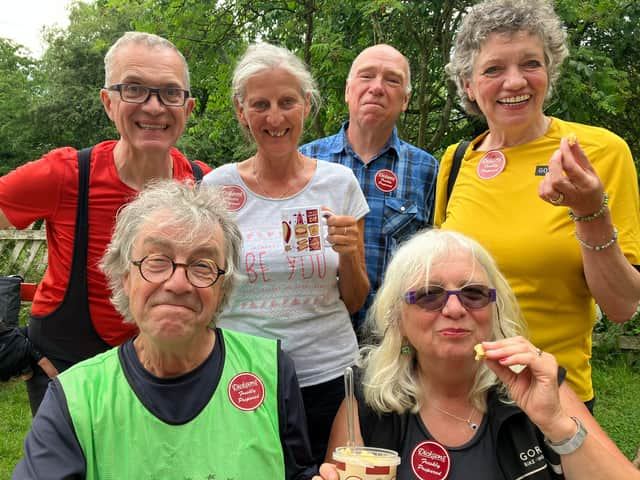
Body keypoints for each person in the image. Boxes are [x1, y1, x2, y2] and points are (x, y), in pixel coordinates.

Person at [12, 180, 318, 480]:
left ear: (223, 289)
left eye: (202, 265)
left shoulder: (271, 370)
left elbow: (298, 472)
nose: (178, 284)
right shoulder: (76, 397)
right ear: (125, 277)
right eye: (157, 261)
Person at [434, 0, 640, 409]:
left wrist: (590, 212)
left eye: (530, 63)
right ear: (470, 85)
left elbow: (621, 306)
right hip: (456, 397)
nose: (515, 82)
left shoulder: (596, 153)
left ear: (549, 71)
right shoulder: (456, 162)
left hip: (552, 399)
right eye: (494, 69)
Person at [314, 229, 639, 480]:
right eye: (429, 295)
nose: (454, 309)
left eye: (473, 294)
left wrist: (557, 425)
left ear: (495, 311)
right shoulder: (367, 401)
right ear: (397, 317)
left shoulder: (537, 384)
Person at [0, 31, 211, 414]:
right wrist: (5, 333)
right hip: (67, 372)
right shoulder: (65, 175)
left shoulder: (205, 184)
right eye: (134, 88)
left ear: (188, 107)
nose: (153, 106)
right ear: (107, 101)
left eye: (169, 92)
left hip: (169, 374)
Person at [202, 42, 370, 465]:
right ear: (242, 112)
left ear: (306, 107)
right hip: (242, 374)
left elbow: (354, 299)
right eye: (260, 104)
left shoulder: (340, 183)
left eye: (286, 102)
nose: (274, 117)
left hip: (329, 373)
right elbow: (206, 286)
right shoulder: (217, 189)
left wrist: (348, 254)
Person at [300, 44, 439, 333]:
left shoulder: (427, 170)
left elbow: (435, 263)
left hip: (396, 338)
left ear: (406, 99)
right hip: (317, 337)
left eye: (392, 79)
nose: (377, 87)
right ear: (347, 91)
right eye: (366, 76)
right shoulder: (304, 160)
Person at [538, 143, 640, 322]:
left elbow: (622, 306)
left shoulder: (601, 148)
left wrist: (589, 211)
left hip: (553, 350)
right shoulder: (470, 160)